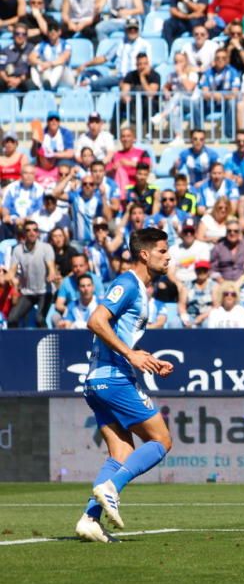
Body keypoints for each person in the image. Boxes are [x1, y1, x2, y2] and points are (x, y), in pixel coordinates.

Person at [75, 228, 176, 543]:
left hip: (99, 381)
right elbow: (95, 320)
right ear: (145, 254)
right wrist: (130, 354)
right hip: (113, 378)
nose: (168, 256)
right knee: (162, 441)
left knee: (120, 453)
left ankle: (90, 519)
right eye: (162, 250)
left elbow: (119, 335)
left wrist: (145, 358)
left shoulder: (141, 291)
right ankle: (112, 488)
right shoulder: (127, 284)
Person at [6, 220, 57, 328]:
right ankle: (14, 344)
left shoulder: (46, 248)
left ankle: (47, 344)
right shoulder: (17, 250)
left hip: (45, 291)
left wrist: (51, 275)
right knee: (12, 319)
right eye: (28, 230)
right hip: (28, 292)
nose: (32, 233)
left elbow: (51, 267)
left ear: (38, 233)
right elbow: (11, 272)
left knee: (40, 319)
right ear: (24, 233)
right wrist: (8, 279)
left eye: (35, 230)